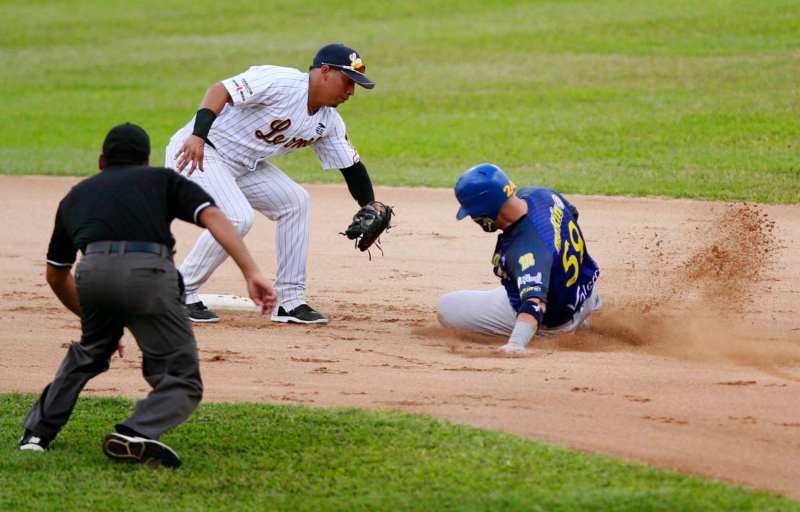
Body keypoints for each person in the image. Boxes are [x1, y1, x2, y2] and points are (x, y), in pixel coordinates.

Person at [18, 123, 277, 468]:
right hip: (148, 276)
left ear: (101, 162)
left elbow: (55, 273)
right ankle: (136, 431)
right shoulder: (161, 179)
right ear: (146, 160)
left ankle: (36, 436)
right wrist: (251, 271)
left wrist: (88, 314)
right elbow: (214, 215)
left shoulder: (76, 195)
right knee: (181, 375)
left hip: (92, 274)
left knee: (90, 352)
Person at [166, 43, 385, 325]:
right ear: (325, 72)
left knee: (295, 202)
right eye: (347, 82)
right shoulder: (280, 82)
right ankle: (179, 290)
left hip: (244, 166)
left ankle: (290, 301)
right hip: (198, 151)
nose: (350, 92)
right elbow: (219, 90)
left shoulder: (328, 122)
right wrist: (197, 135)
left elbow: (351, 167)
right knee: (237, 217)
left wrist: (370, 203)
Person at [437, 163, 602, 353]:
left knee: (447, 307)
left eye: (473, 213)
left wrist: (515, 344)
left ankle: (555, 331)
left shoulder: (527, 251)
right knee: (536, 276)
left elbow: (535, 303)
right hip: (586, 294)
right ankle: (588, 311)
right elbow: (572, 214)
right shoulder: (542, 195)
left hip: (554, 320)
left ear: (486, 211)